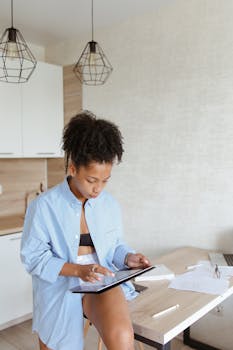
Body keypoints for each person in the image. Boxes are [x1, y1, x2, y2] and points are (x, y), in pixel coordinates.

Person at [21, 111, 151, 350]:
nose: (98, 189)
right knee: (59, 341)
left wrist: (128, 257)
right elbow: (34, 258)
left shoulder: (109, 204)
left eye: (105, 180)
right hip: (59, 283)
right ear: (73, 168)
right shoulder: (44, 206)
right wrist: (78, 270)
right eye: (92, 180)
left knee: (123, 337)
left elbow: (113, 246)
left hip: (100, 280)